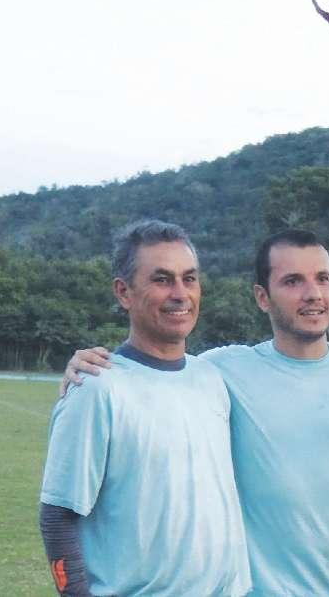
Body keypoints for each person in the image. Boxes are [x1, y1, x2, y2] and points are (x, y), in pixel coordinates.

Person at [63, 228, 329, 596]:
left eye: (322, 278)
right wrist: (91, 365)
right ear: (262, 297)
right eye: (293, 281)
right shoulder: (221, 371)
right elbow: (156, 366)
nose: (312, 293)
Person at [39, 220, 251, 596]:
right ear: (124, 292)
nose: (180, 294)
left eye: (189, 279)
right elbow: (58, 516)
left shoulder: (210, 377)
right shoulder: (96, 387)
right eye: (162, 279)